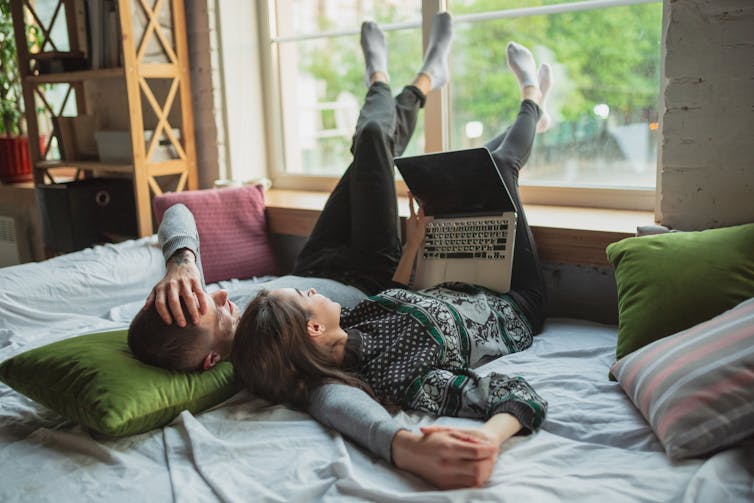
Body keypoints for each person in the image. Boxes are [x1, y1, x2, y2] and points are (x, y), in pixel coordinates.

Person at [129, 13, 514, 489]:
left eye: (211, 296)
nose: (225, 296)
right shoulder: (263, 362)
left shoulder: (188, 303)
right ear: (212, 361)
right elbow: (330, 398)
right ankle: (401, 78)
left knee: (372, 147)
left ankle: (410, 78)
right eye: (222, 316)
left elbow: (179, 213)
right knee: (374, 140)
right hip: (366, 268)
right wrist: (398, 442)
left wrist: (180, 263)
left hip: (313, 261)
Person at [231, 15, 554, 482]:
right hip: (516, 302)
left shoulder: (355, 321)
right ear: (315, 327)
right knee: (500, 167)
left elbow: (395, 291)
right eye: (302, 297)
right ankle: (532, 97)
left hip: (462, 276)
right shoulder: (396, 380)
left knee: (470, 170)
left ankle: (519, 106)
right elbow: (514, 394)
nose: (308, 291)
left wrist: (414, 244)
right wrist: (490, 437)